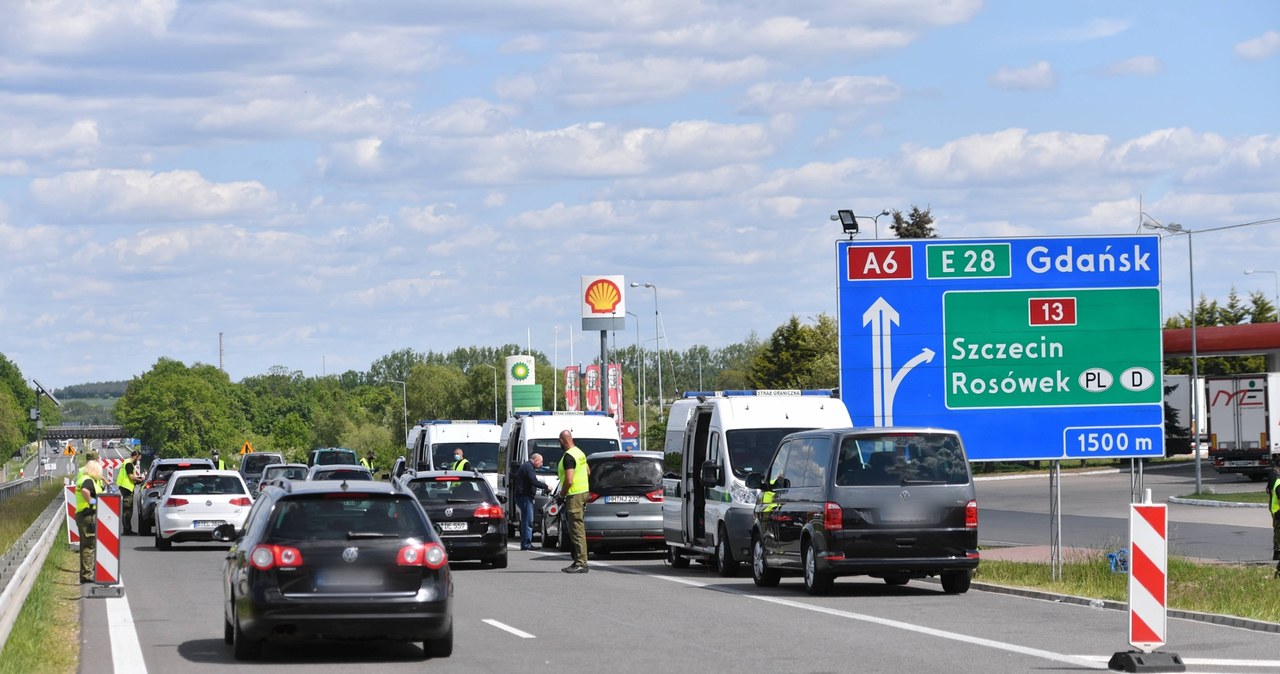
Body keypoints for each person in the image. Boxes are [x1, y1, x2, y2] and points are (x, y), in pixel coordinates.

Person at [556, 430, 590, 573]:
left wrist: (561, 495)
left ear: (562, 441)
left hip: (574, 494)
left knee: (576, 530)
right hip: (582, 492)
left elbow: (569, 480)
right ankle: (579, 560)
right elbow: (588, 471)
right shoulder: (579, 452)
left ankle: (581, 562)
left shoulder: (569, 456)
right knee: (578, 528)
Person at [76, 454, 106, 583]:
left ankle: (86, 573)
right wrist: (93, 501)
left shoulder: (84, 478)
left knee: (86, 545)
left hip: (83, 514)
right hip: (88, 515)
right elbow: (85, 492)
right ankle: (87, 575)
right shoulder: (88, 481)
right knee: (89, 545)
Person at [513, 453, 548, 550]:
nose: (541, 464)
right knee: (528, 521)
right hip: (524, 497)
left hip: (524, 496)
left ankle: (525, 543)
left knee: (526, 520)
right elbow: (533, 481)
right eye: (541, 462)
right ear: (536, 460)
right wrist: (546, 486)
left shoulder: (527, 466)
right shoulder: (528, 467)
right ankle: (526, 544)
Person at [116, 449, 143, 535]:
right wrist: (140, 480)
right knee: (127, 511)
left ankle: (127, 529)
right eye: (138, 459)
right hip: (127, 488)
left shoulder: (126, 462)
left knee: (127, 509)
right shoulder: (129, 464)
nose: (138, 461)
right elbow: (131, 477)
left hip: (125, 487)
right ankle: (127, 530)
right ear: (135, 456)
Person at [1268, 455, 1280, 577]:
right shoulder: (1275, 476)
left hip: (1275, 507)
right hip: (1277, 509)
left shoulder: (1275, 476)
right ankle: (1277, 552)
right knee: (1277, 530)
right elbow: (1272, 491)